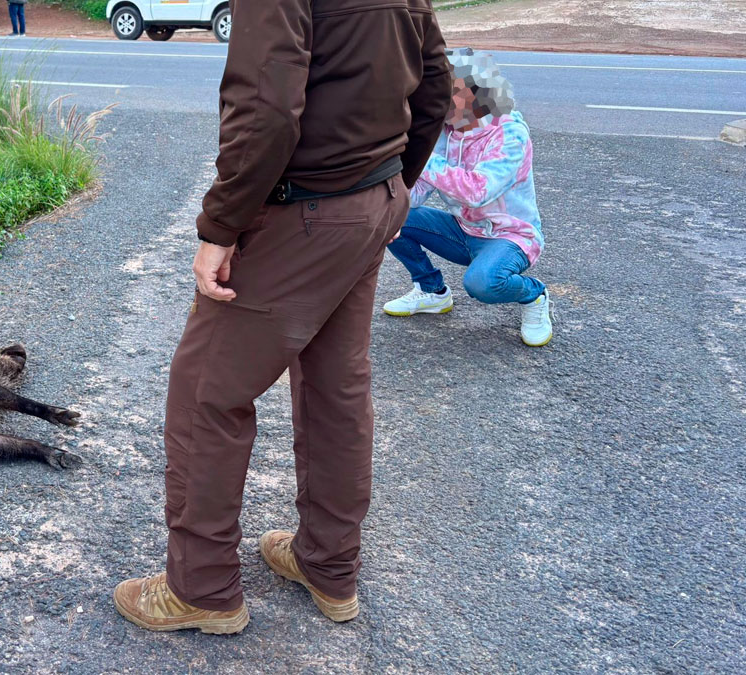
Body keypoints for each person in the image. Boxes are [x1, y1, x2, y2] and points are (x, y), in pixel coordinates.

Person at [113, 0, 451, 634]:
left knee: (206, 393)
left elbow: (267, 108)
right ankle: (330, 565)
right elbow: (434, 80)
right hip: (371, 197)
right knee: (336, 387)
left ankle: (201, 588)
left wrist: (222, 226)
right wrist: (391, 185)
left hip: (310, 209)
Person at [383, 48, 551, 346]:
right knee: (386, 215)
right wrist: (389, 195)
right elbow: (418, 192)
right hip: (464, 231)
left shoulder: (510, 133)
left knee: (482, 283)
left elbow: (477, 192)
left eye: (444, 92)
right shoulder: (445, 132)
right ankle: (432, 291)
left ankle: (534, 295)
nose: (434, 101)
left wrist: (420, 156)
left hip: (510, 237)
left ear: (474, 91)